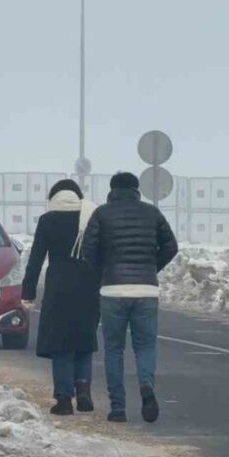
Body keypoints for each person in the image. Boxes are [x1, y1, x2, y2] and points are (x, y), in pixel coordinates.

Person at [81, 171, 178, 423]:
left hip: (113, 290)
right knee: (145, 346)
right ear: (137, 189)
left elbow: (87, 249)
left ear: (112, 190)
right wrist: (151, 267)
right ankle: (146, 386)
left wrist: (103, 271)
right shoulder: (152, 213)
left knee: (114, 350)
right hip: (145, 290)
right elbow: (171, 246)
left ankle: (118, 408)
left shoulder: (101, 213)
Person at [21, 179, 101, 415]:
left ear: (53, 198)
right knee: (84, 340)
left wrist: (28, 292)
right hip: (88, 285)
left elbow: (35, 258)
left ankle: (64, 399)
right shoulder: (90, 218)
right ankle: (84, 389)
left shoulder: (48, 220)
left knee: (61, 344)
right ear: (77, 197)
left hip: (58, 288)